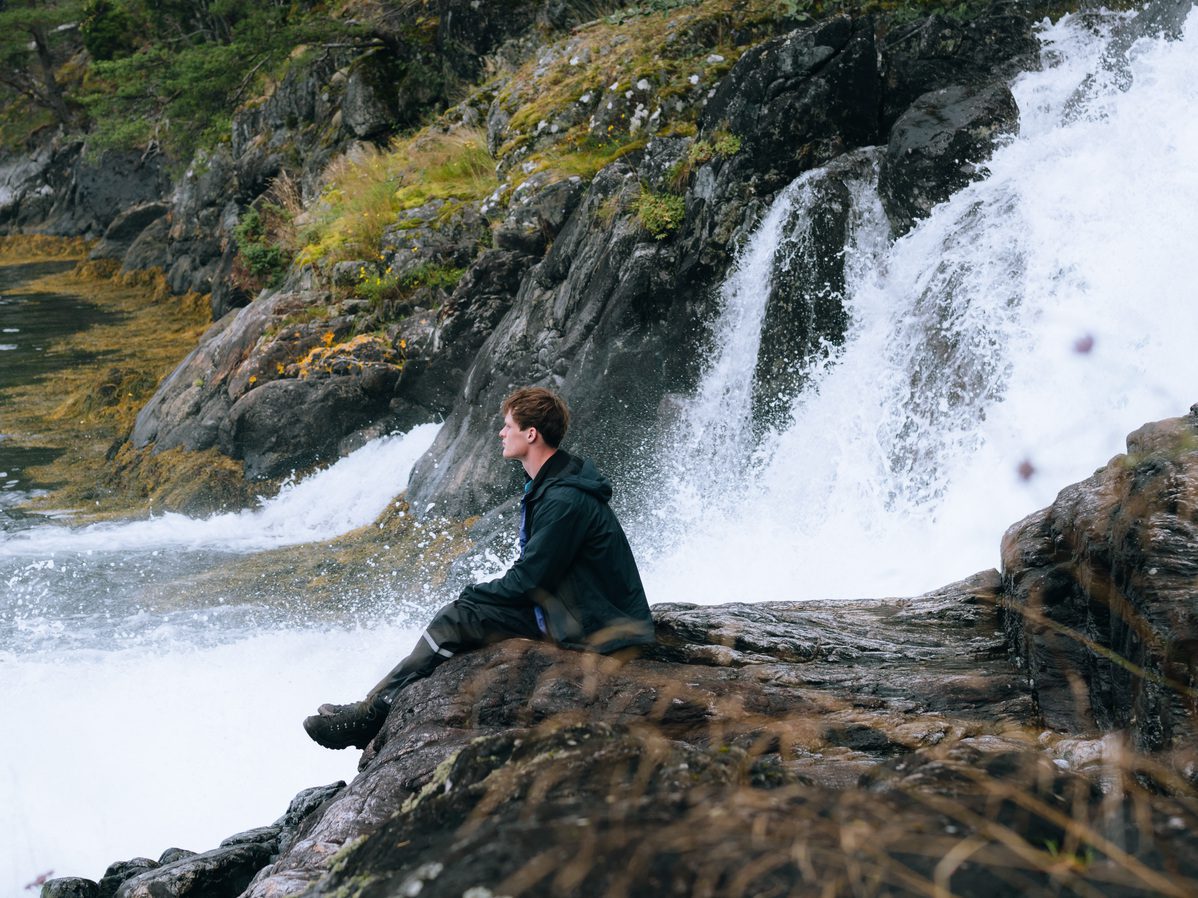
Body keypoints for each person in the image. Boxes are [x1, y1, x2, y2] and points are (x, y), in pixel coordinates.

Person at [304, 386, 655, 750]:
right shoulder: (554, 483)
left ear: (530, 433)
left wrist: (477, 594)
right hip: (581, 608)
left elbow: (531, 579)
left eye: (508, 426)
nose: (501, 434)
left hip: (595, 628)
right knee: (462, 614)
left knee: (457, 618)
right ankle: (373, 706)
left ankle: (370, 716)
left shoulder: (564, 498)